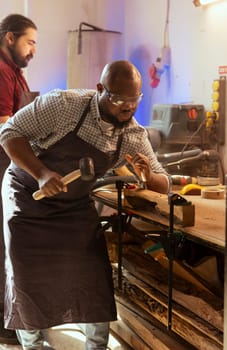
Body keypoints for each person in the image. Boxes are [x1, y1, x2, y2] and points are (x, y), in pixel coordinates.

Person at [0, 60, 170, 350]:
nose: (127, 108)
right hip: (28, 195)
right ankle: (34, 346)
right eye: (119, 100)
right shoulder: (63, 105)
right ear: (100, 89)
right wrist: (41, 174)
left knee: (93, 275)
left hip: (74, 205)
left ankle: (97, 347)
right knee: (27, 275)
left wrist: (147, 175)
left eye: (134, 100)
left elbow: (164, 182)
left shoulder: (132, 135)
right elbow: (9, 133)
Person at [0, 13, 37, 345]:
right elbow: (4, 127)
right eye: (29, 42)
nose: (33, 50)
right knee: (4, 247)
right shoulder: (0, 71)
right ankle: (6, 323)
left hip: (11, 166)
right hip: (2, 165)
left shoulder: (15, 74)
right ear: (9, 38)